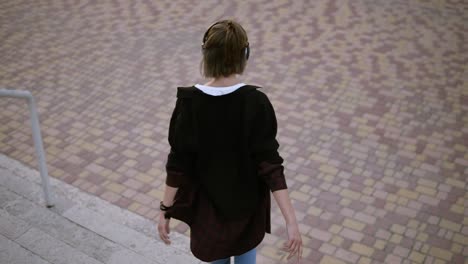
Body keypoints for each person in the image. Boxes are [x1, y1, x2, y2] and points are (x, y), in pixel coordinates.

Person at [157, 19, 302, 264]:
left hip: (208, 216)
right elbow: (271, 166)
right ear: (245, 54)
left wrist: (165, 210)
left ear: (205, 53)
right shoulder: (257, 103)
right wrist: (291, 221)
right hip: (247, 215)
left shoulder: (189, 104)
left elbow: (177, 165)